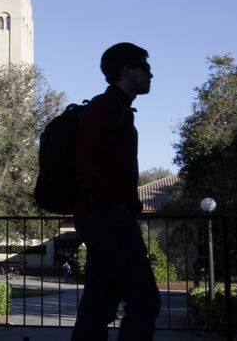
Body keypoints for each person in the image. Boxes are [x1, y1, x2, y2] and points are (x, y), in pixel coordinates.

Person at [71, 42, 160, 341]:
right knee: (145, 300)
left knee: (98, 306)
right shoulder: (106, 107)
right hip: (106, 216)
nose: (151, 75)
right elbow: (87, 160)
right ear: (128, 71)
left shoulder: (118, 108)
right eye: (146, 68)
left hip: (102, 215)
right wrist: (118, 204)